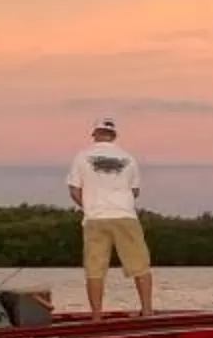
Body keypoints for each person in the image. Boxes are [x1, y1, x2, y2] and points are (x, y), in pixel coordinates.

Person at [66, 117, 154, 315]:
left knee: (94, 269)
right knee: (140, 265)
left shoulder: (82, 156)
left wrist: (89, 207)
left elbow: (74, 190)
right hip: (125, 216)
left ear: (95, 134)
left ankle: (96, 316)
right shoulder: (129, 158)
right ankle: (147, 311)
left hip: (95, 219)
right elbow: (135, 191)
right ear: (113, 135)